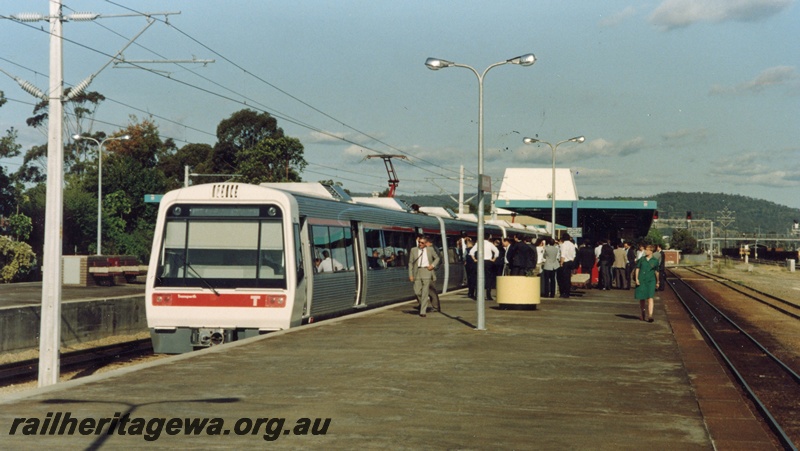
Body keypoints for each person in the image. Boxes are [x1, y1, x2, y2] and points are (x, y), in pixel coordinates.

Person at [408, 235, 440, 317]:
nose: (420, 244)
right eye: (419, 242)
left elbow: (437, 258)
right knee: (417, 291)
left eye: (422, 243)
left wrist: (432, 265)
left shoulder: (430, 249)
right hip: (417, 271)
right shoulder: (413, 250)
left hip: (427, 270)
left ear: (426, 243)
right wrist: (410, 274)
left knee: (425, 291)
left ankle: (423, 311)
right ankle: (423, 304)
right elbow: (410, 263)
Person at [634, 244, 660, 322]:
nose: (646, 251)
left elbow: (656, 272)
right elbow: (637, 269)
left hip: (651, 280)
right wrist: (636, 279)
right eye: (646, 249)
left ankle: (650, 315)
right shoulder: (642, 259)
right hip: (642, 280)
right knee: (642, 297)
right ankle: (643, 313)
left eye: (648, 250)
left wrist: (657, 282)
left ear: (652, 251)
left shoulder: (655, 261)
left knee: (650, 297)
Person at [469, 234, 500, 300]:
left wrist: (475, 259)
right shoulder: (490, 244)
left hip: (480, 262)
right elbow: (497, 251)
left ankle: (477, 295)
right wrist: (493, 259)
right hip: (488, 262)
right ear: (488, 238)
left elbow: (471, 252)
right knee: (488, 278)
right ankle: (488, 295)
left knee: (479, 278)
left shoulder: (478, 244)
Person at [557, 233, 577, 298]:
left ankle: (563, 293)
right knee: (568, 278)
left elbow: (563, 255)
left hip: (565, 263)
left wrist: (561, 263)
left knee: (562, 279)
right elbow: (574, 255)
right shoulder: (572, 245)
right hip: (571, 262)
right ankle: (567, 292)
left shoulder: (563, 245)